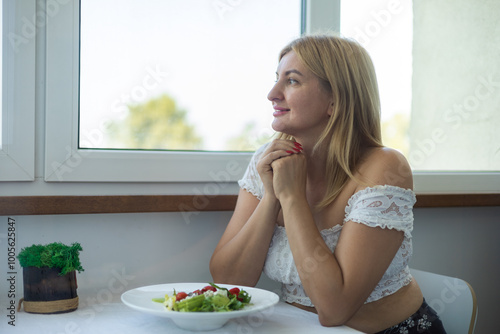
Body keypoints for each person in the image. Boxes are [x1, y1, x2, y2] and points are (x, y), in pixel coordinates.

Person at [209, 34, 446, 334]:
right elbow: (228, 283)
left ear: (335, 100)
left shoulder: (384, 168)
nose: (272, 93)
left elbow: (334, 310)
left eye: (292, 81)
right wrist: (272, 197)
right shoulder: (268, 160)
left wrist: (292, 199)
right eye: (277, 78)